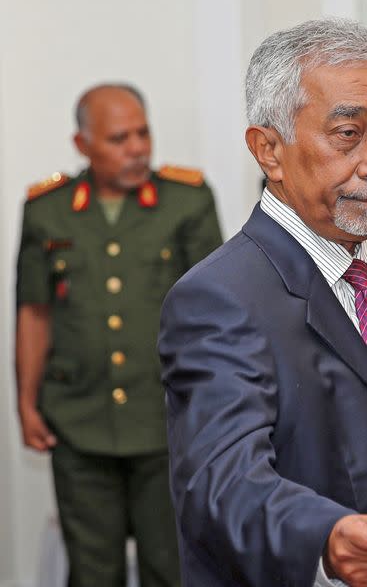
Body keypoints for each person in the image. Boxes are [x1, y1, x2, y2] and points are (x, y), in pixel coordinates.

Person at [158, 19, 367, 587]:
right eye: (346, 134)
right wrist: (326, 538)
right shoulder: (217, 296)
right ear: (269, 150)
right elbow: (222, 482)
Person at [15, 83, 223, 586]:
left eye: (143, 133)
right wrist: (26, 403)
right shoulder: (47, 209)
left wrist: (214, 404)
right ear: (82, 144)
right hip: (78, 417)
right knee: (91, 572)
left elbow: (215, 312)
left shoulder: (187, 201)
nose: (137, 148)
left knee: (170, 567)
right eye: (118, 138)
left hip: (164, 418)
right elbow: (35, 311)